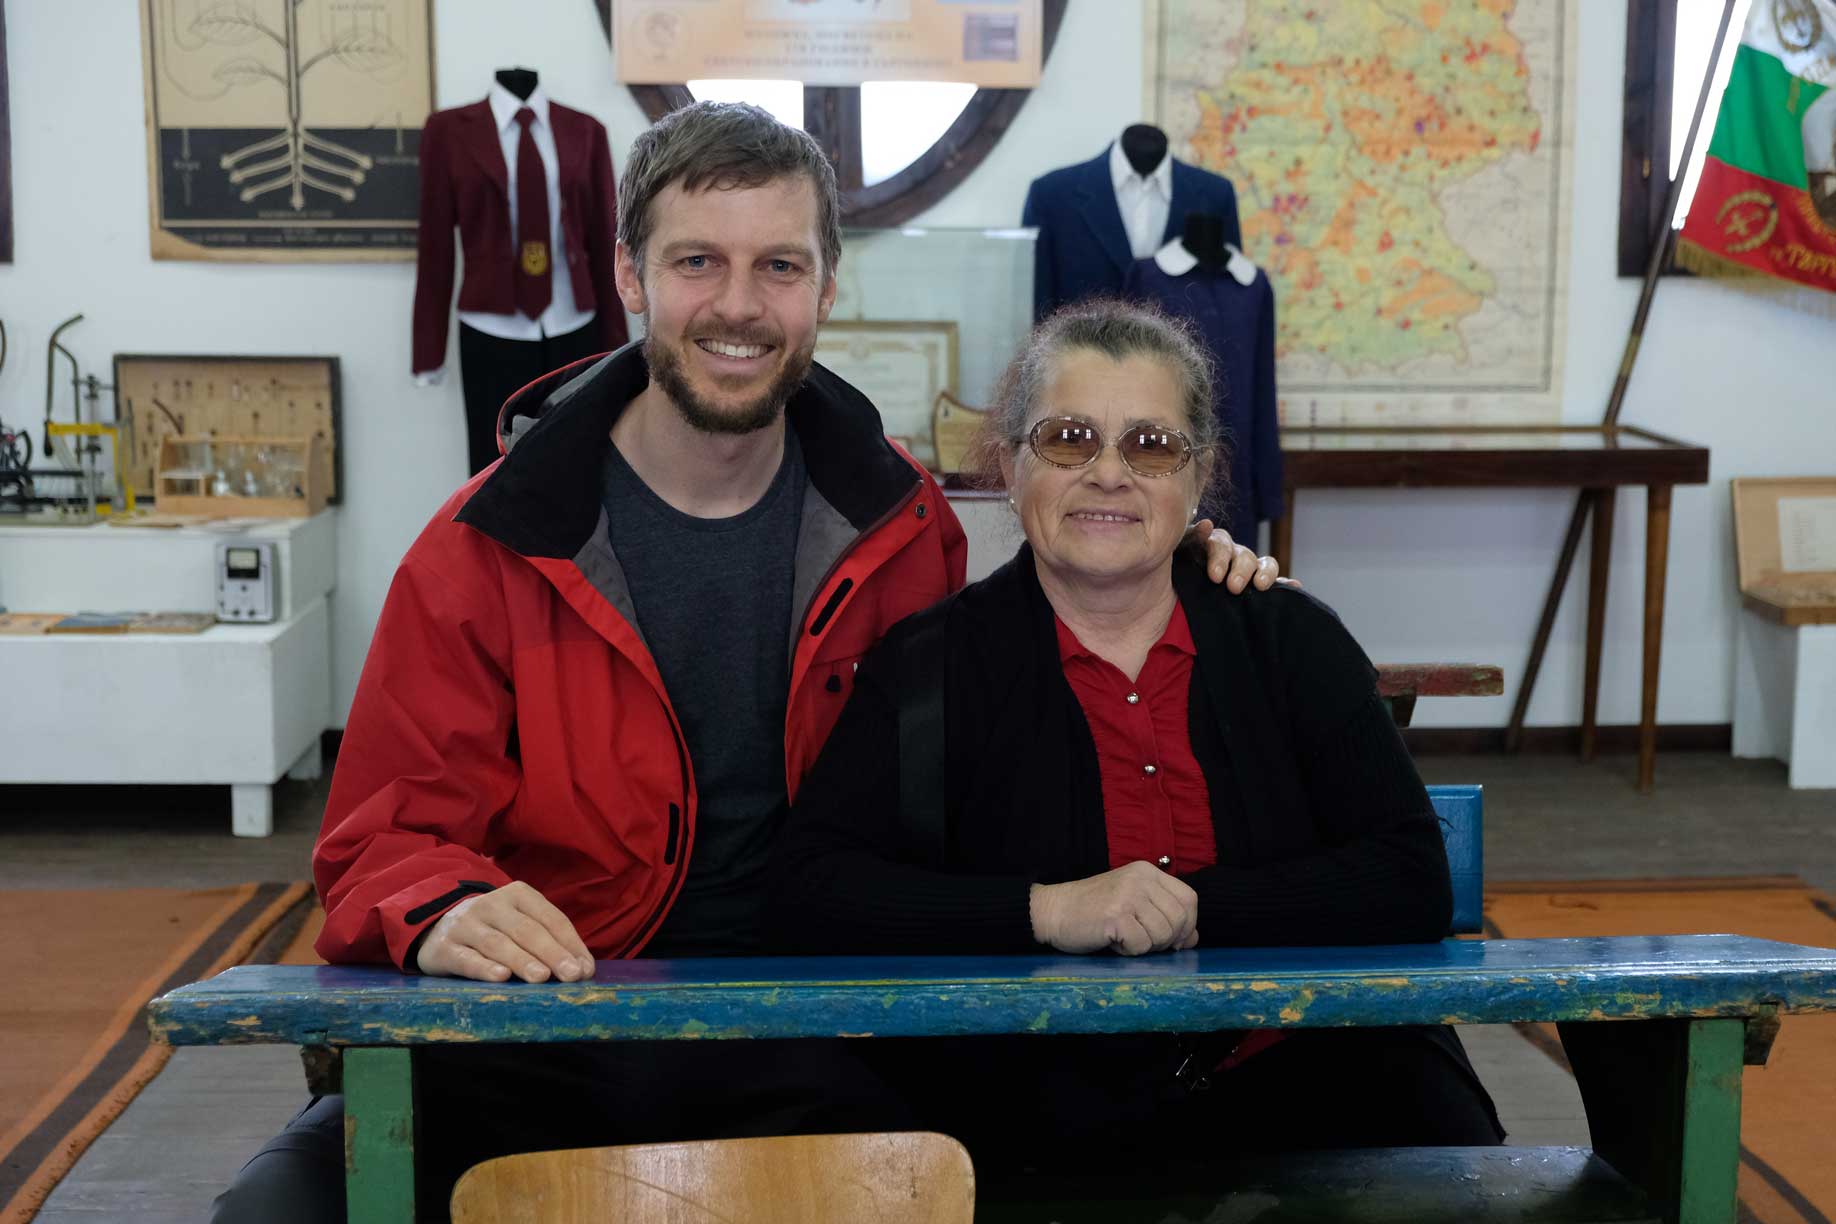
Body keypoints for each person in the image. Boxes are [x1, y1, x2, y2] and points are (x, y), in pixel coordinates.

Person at [211, 103, 1279, 1223]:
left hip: (830, 1032)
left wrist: (1181, 558)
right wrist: (441, 906)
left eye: (778, 265)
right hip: (549, 1030)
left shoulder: (905, 530)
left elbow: (1017, 665)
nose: (736, 305)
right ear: (630, 275)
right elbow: (380, 838)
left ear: (827, 288)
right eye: (695, 262)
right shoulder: (487, 545)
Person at [766, 298, 1503, 1175]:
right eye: (1070, 438)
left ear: (1198, 481)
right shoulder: (928, 667)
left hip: (1311, 1085)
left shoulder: (1289, 639)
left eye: (1151, 445)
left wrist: (1196, 910)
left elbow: (1410, 872)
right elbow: (811, 887)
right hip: (1029, 1109)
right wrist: (1046, 910)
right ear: (1009, 465)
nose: (1108, 475)